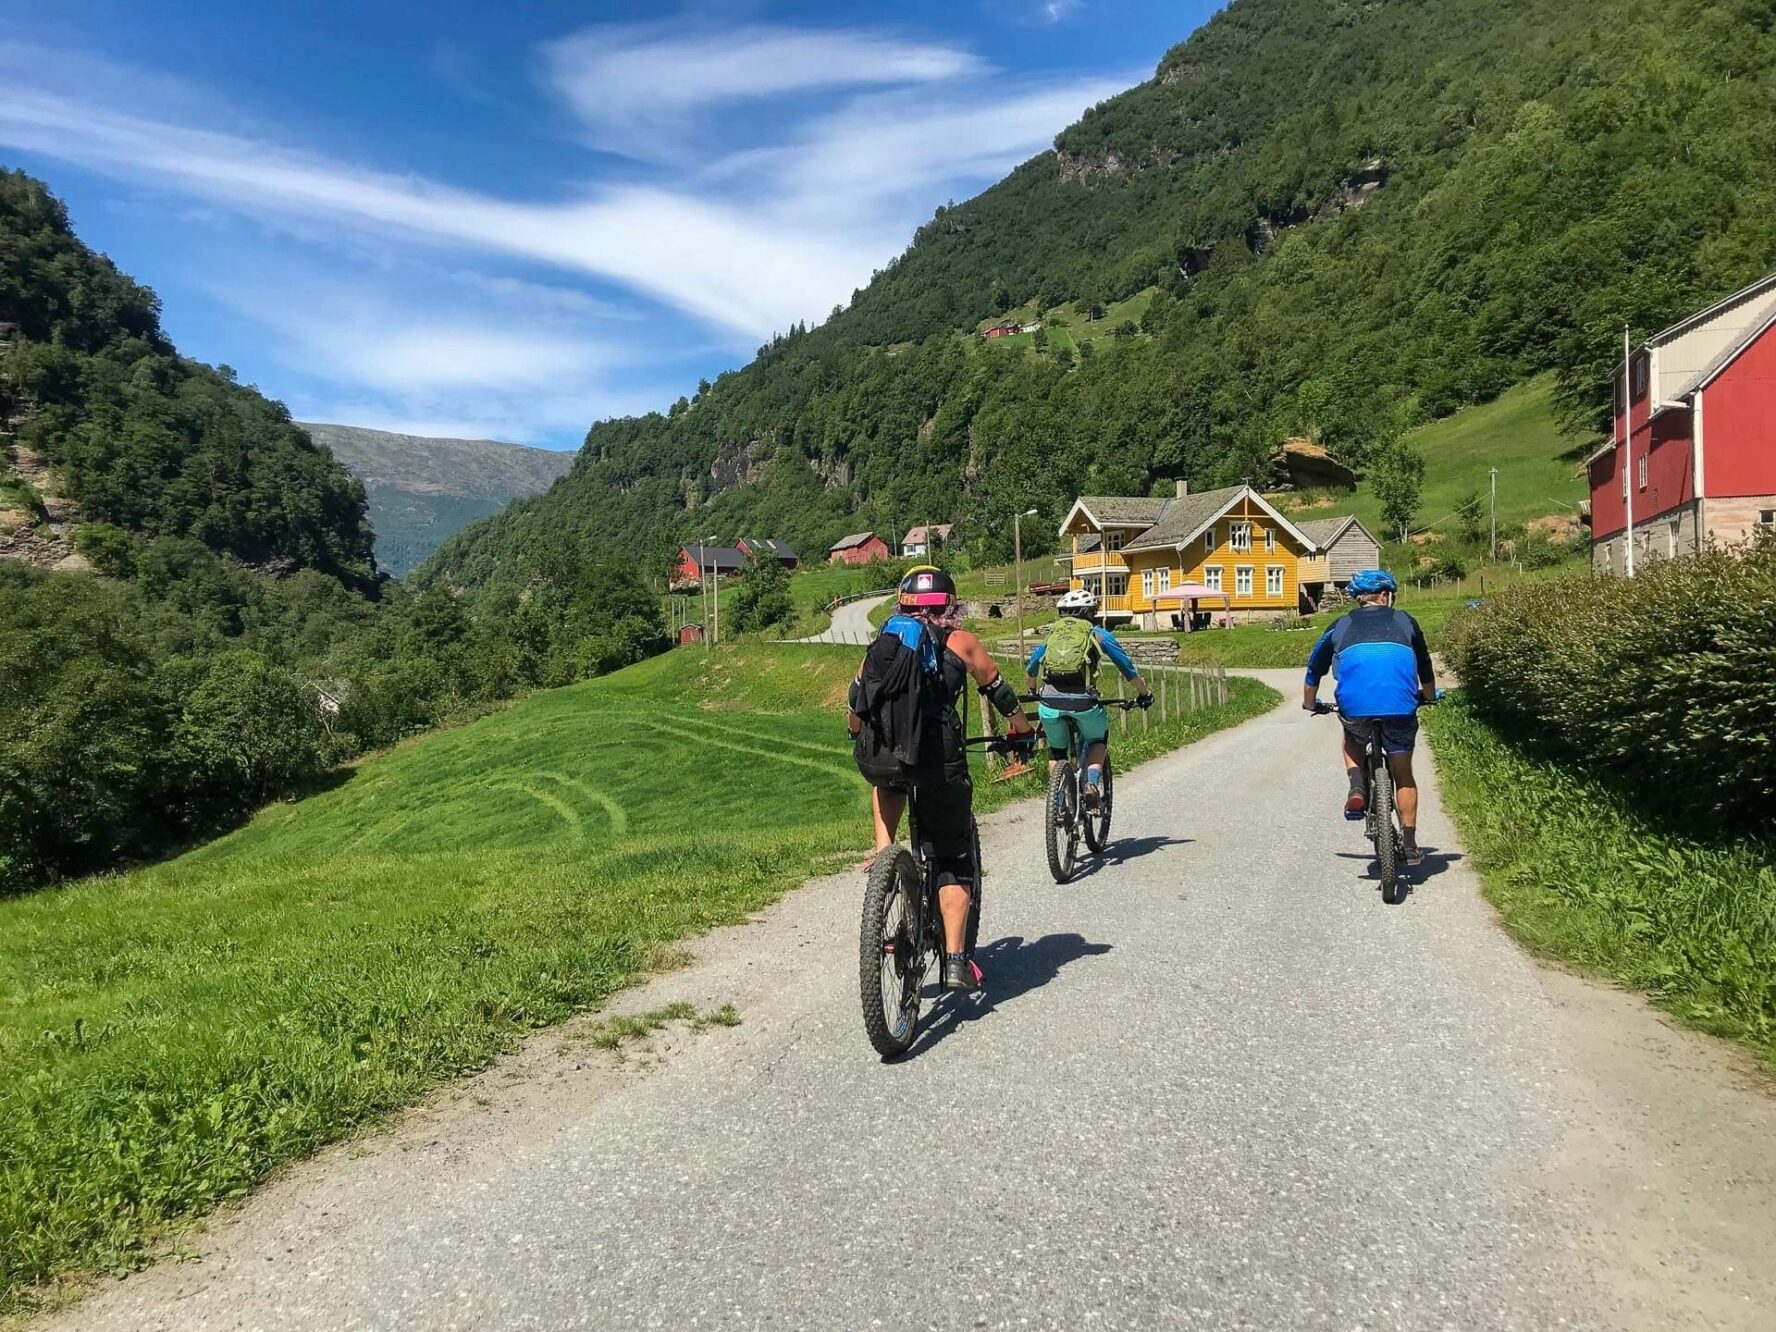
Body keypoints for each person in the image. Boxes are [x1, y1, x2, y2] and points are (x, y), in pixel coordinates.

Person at [848, 566, 1035, 992]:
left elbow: (857, 698)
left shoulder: (884, 643)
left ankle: (885, 856)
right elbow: (1000, 692)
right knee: (952, 859)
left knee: (888, 781)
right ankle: (955, 961)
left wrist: (857, 733)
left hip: (885, 756)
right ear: (950, 605)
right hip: (939, 762)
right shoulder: (960, 642)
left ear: (903, 604)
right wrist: (1022, 730)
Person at [1301, 568, 1437, 866]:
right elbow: (1424, 666)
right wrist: (1428, 696)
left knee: (1352, 739)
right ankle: (1410, 844)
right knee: (1403, 773)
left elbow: (1314, 667)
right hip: (1400, 707)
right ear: (1386, 596)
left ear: (1359, 599)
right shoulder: (1406, 621)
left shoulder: (1341, 625)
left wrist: (1311, 704)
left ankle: (1357, 787)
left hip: (1356, 707)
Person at [1023, 589, 1153, 807]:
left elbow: (1032, 666)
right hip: (1084, 703)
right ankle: (1091, 783)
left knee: (1056, 751)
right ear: (1089, 612)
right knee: (1097, 740)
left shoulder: (1052, 634)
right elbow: (1127, 669)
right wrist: (1144, 694)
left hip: (1049, 703)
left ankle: (1058, 803)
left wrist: (1032, 689)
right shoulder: (1098, 634)